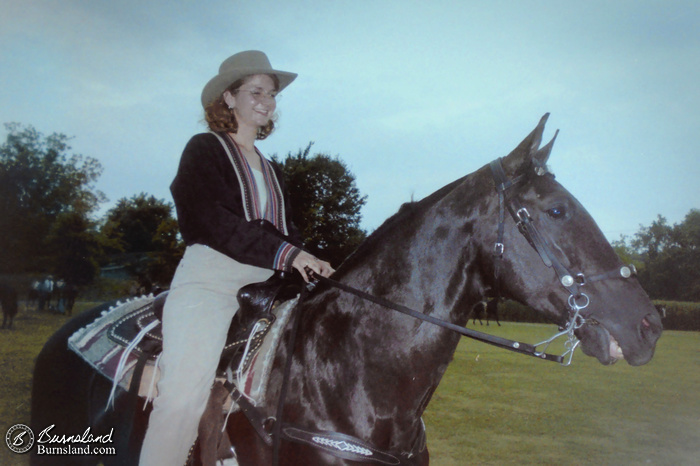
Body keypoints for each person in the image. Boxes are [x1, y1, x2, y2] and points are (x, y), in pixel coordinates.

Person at [139, 50, 334, 465]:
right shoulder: (204, 149)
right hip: (212, 280)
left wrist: (312, 261)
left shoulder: (272, 170)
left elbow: (287, 234)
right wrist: (289, 252)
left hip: (270, 284)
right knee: (182, 400)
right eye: (256, 91)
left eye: (272, 93)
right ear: (228, 98)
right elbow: (210, 220)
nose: (267, 100)